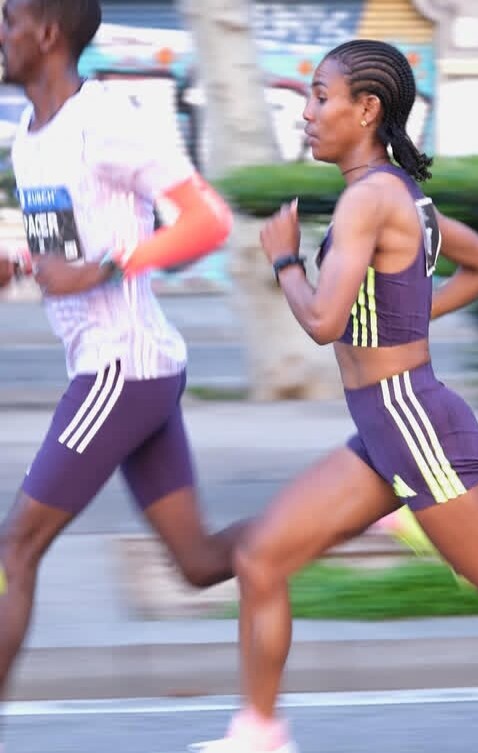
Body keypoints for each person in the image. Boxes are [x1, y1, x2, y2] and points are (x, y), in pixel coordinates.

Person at [193, 38, 478, 753]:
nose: (306, 113)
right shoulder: (396, 195)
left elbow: (323, 322)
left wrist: (285, 259)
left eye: (319, 97)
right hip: (385, 430)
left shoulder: (369, 199)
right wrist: (404, 322)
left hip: (414, 425)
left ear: (366, 109)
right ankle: (258, 733)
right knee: (261, 559)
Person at [0, 0, 247, 742]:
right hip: (131, 368)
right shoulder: (29, 137)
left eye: (7, 19)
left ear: (46, 33)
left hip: (121, 368)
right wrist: (21, 264)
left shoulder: (106, 120)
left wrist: (108, 266)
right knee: (199, 562)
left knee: (16, 547)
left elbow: (208, 219)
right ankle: (348, 509)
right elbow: (63, 258)